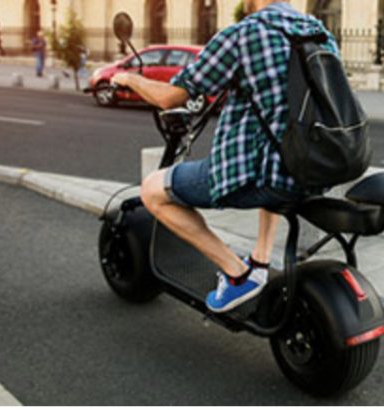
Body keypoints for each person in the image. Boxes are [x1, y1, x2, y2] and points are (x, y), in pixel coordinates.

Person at [111, 0, 338, 313]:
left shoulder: (242, 35)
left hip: (267, 174)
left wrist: (129, 79)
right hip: (312, 167)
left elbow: (169, 98)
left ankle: (238, 275)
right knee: (270, 153)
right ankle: (260, 259)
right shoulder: (318, 31)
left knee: (152, 190)